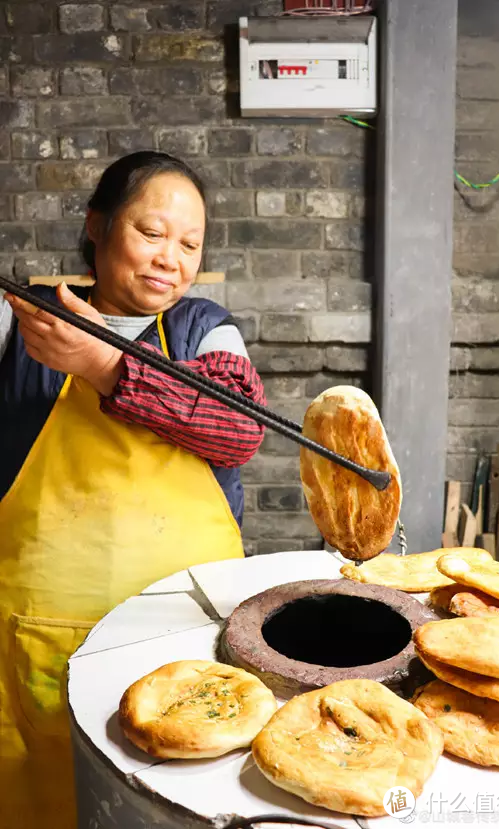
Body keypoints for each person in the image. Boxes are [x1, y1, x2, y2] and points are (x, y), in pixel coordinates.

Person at [0, 151, 266, 829]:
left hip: (178, 641)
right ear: (97, 225)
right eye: (151, 232)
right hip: (39, 640)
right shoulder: (20, 323)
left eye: (188, 244)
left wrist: (101, 364)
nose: (168, 258)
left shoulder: (205, 329)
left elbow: (236, 428)